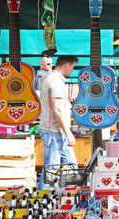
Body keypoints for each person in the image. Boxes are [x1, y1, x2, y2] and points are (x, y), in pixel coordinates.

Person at [37, 55, 79, 190]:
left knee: (70, 166)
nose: (72, 70)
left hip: (56, 131)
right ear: (67, 65)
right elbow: (58, 109)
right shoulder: (55, 81)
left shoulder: (50, 79)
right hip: (54, 131)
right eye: (72, 67)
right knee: (51, 169)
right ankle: (43, 200)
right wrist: (68, 133)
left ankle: (70, 196)